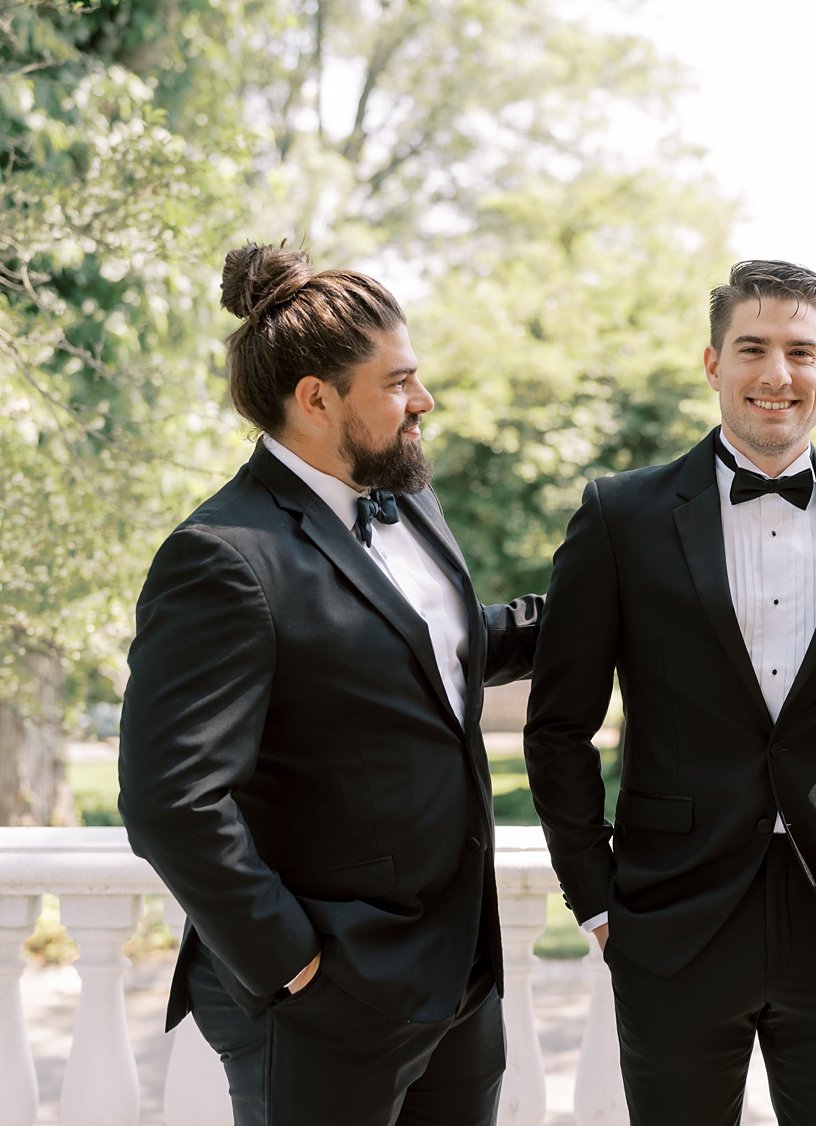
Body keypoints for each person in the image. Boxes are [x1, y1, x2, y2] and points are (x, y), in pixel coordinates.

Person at [118, 243, 542, 1126]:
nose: (423, 401)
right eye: (398, 383)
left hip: (460, 977)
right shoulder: (222, 557)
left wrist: (615, 598)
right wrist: (292, 966)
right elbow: (172, 799)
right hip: (328, 1000)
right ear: (316, 399)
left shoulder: (411, 501)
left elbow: (435, 653)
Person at [524, 259, 816, 1125]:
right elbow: (559, 725)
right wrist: (599, 904)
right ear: (712, 363)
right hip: (672, 919)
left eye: (800, 351)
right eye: (751, 348)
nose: (776, 375)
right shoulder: (620, 516)